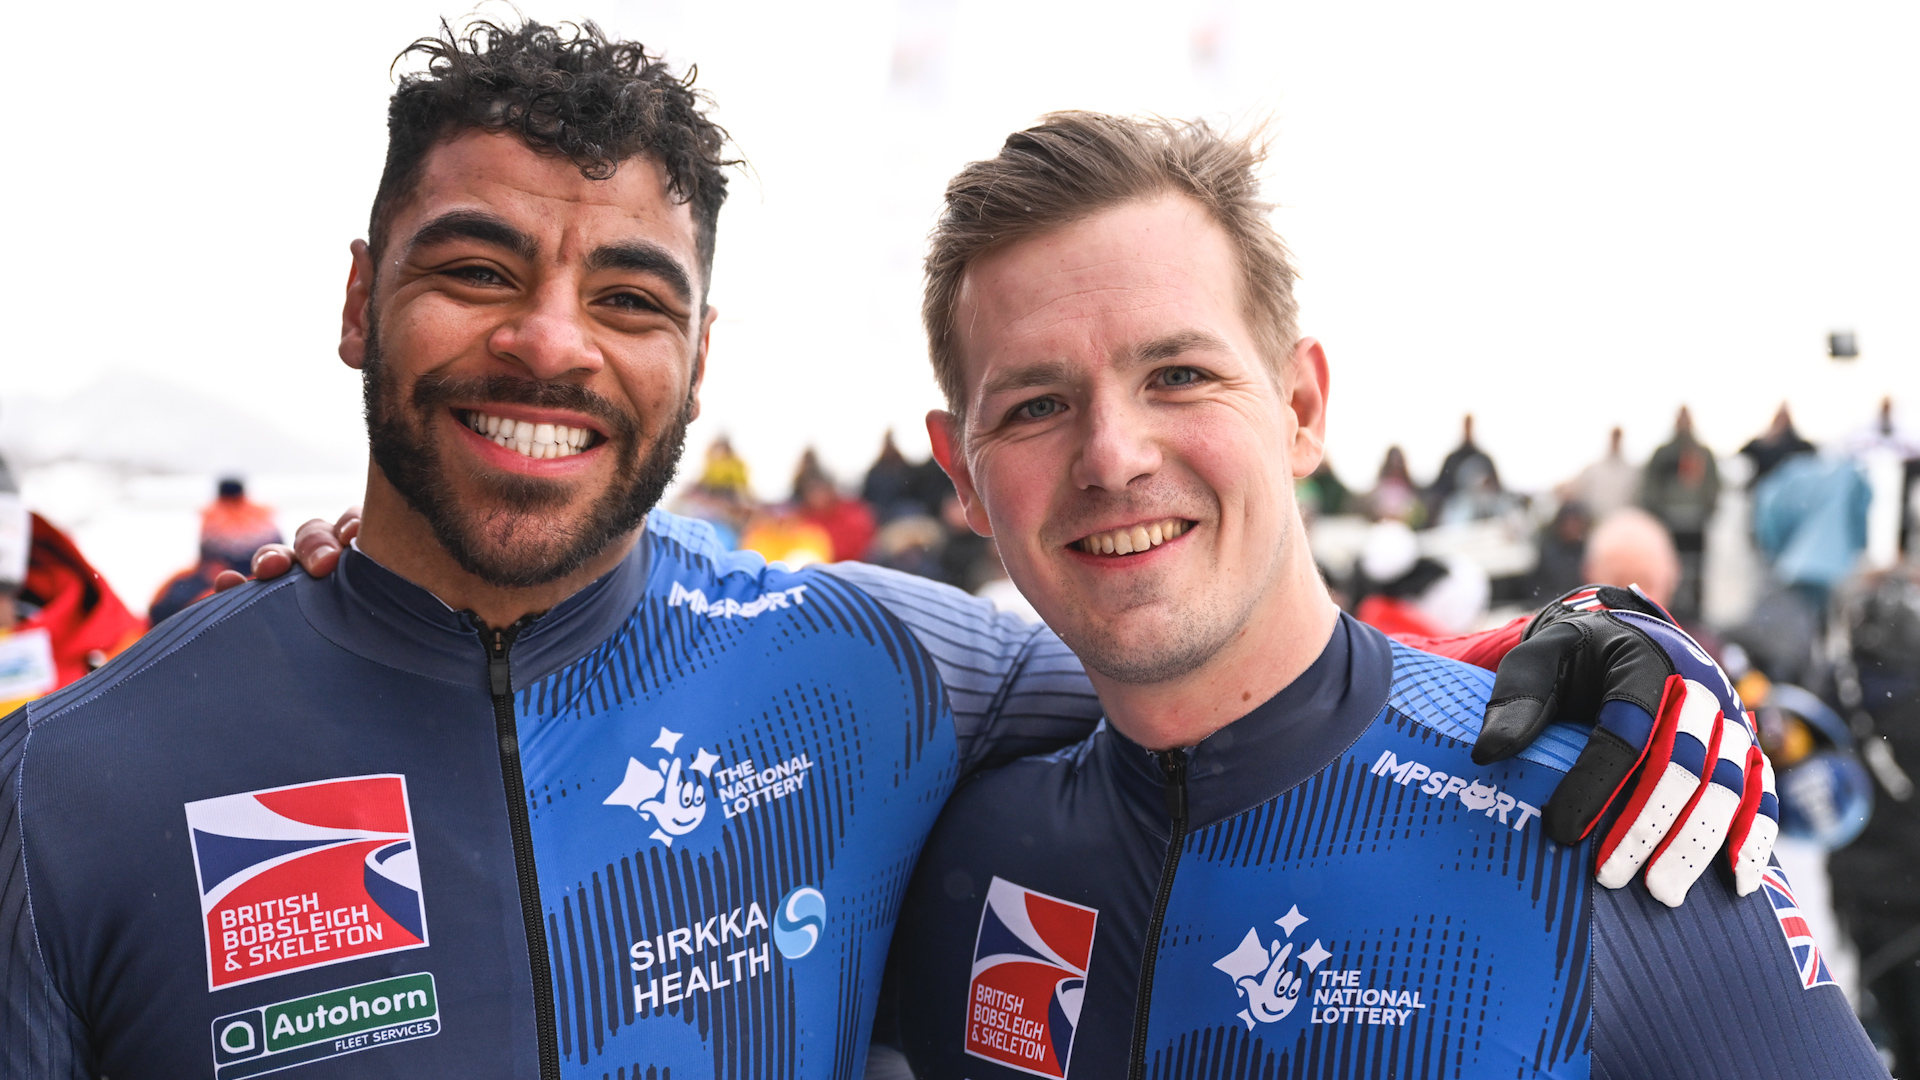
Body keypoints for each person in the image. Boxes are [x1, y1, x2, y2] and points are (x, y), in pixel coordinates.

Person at [106, 26, 1761, 1076]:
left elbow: (1215, 690)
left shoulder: (882, 669)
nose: (553, 348)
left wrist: (1597, 657)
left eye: (629, 297)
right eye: (474, 270)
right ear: (356, 300)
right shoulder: (77, 791)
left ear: (696, 348)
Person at [877, 112, 1873, 1078]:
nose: (1113, 456)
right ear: (958, 472)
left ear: (1301, 410)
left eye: (1178, 374)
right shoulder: (954, 851)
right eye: (1036, 405)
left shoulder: (1615, 818)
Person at [148, 477, 284, 624]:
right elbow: (278, 546)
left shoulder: (214, 514)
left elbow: (206, 555)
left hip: (226, 574)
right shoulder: (260, 513)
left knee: (169, 606)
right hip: (260, 571)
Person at [1639, 405, 1721, 621]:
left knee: (1695, 574)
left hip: (1695, 524)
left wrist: (1705, 511)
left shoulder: (1702, 454)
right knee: (1667, 571)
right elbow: (1650, 486)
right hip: (1668, 524)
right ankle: (1666, 614)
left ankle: (1696, 617)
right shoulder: (1663, 454)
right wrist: (1659, 514)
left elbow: (1713, 486)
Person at [1563, 426, 1639, 519]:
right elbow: (1573, 488)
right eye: (1614, 437)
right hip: (1596, 523)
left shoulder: (1632, 472)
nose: (1616, 441)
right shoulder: (1593, 470)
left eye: (1618, 437)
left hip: (1621, 525)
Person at [1740, 403, 1816, 487]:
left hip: (1788, 487)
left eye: (1784, 416)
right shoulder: (1760, 444)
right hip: (1764, 487)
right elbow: (1743, 454)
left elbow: (1812, 456)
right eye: (1780, 416)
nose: (1782, 420)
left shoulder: (1798, 445)